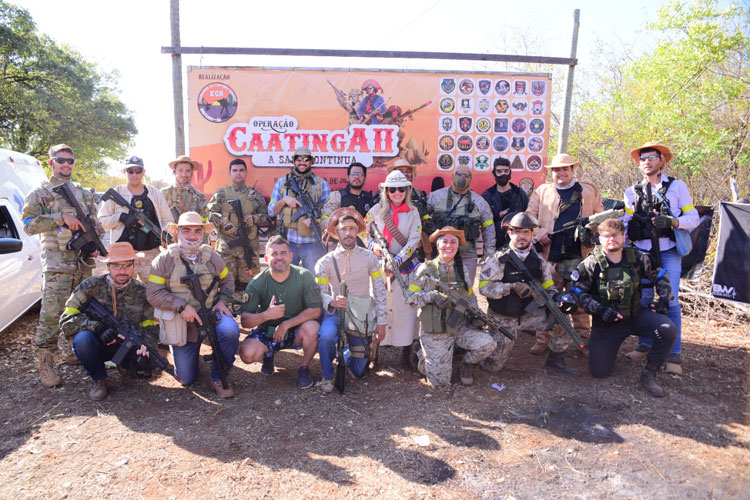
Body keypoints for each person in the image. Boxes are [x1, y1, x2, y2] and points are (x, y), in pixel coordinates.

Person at [22, 143, 105, 387]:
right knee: (51, 316)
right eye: (61, 160)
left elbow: (95, 222)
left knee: (82, 311)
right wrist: (60, 218)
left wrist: (97, 241)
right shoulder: (40, 193)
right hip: (58, 265)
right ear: (51, 163)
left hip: (83, 263)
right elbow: (28, 224)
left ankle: (73, 351)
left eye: (70, 160)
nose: (66, 164)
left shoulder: (83, 192)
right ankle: (46, 363)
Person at [571, 218, 677, 396]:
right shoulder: (591, 263)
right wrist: (600, 310)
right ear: (599, 239)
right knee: (599, 372)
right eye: (606, 236)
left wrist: (663, 301)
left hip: (635, 315)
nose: (611, 239)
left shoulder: (637, 257)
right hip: (607, 322)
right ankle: (608, 350)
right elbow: (577, 293)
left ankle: (649, 374)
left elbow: (660, 276)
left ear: (624, 237)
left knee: (668, 329)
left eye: (616, 235)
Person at [623, 142, 699, 375]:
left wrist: (674, 222)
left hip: (668, 252)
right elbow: (626, 225)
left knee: (671, 300)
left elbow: (693, 217)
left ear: (661, 161)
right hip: (641, 252)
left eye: (651, 157)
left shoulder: (677, 186)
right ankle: (645, 345)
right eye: (642, 158)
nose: (646, 161)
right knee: (644, 298)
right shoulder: (631, 191)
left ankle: (674, 354)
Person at [145, 212, 239, 398]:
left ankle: (218, 377)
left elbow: (228, 281)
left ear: (203, 234)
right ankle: (185, 351)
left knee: (230, 330)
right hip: (182, 324)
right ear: (177, 232)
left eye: (197, 231)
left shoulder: (213, 257)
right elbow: (153, 293)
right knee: (186, 378)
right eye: (186, 230)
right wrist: (180, 306)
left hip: (211, 315)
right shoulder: (163, 261)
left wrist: (222, 301)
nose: (192, 235)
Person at [478, 213, 578, 377]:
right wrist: (512, 287)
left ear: (532, 234)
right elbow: (484, 288)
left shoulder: (539, 261)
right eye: (517, 232)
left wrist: (557, 300)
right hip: (504, 317)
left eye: (526, 232)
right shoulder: (498, 260)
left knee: (561, 322)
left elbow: (549, 287)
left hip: (529, 313)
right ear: (509, 233)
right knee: (492, 366)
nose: (521, 236)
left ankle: (555, 361)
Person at [525, 153, 603, 354]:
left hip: (580, 256)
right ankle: (543, 339)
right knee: (547, 300)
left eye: (565, 169)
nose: (561, 173)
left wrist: (591, 229)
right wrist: (540, 233)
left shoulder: (589, 191)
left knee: (580, 301)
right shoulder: (542, 192)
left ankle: (582, 341)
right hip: (550, 257)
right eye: (557, 170)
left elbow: (600, 218)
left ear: (572, 170)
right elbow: (529, 217)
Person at [59, 242, 157, 401]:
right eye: (116, 266)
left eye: (127, 265)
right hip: (97, 344)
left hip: (126, 344)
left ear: (134, 265)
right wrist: (96, 327)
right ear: (108, 266)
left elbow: (150, 324)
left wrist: (147, 344)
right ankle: (99, 379)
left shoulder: (141, 291)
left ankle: (123, 365)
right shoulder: (90, 286)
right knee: (82, 341)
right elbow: (66, 319)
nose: (122, 271)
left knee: (149, 365)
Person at [408, 227, 496, 387]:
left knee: (487, 344)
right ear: (437, 244)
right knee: (440, 383)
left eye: (453, 242)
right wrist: (432, 297)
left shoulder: (463, 270)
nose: (449, 245)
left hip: (459, 326)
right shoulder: (425, 269)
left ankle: (465, 364)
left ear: (458, 245)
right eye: (445, 241)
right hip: (436, 331)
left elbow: (470, 297)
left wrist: (476, 315)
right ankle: (422, 355)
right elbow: (411, 299)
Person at [314, 208, 387, 392]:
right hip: (336, 312)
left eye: (352, 228)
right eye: (344, 229)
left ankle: (347, 352)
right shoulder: (325, 262)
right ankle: (328, 376)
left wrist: (382, 322)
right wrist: (331, 301)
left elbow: (379, 291)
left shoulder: (369, 258)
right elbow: (319, 293)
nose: (348, 233)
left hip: (360, 317)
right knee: (326, 336)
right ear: (336, 232)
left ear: (357, 231)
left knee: (358, 371)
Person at [238, 236, 322, 389]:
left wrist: (286, 324)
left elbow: (316, 310)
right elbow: (245, 320)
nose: (279, 257)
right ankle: (268, 354)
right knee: (247, 354)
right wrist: (266, 315)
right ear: (266, 257)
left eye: (283, 253)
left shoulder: (304, 276)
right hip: (268, 332)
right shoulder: (257, 283)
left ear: (290, 256)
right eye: (274, 254)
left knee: (313, 328)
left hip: (296, 331)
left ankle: (304, 367)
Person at [364, 170, 422, 367]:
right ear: (386, 191)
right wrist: (374, 247)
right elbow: (365, 233)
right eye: (392, 189)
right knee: (380, 307)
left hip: (404, 269)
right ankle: (375, 352)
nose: (397, 193)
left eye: (401, 189)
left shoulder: (413, 213)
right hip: (380, 268)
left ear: (407, 190)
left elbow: (414, 240)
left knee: (406, 310)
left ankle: (407, 351)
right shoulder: (375, 211)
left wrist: (398, 259)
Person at [98, 155, 173, 282]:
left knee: (154, 291)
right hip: (122, 256)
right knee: (121, 292)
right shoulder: (117, 193)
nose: (134, 174)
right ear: (124, 172)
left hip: (151, 254)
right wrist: (120, 217)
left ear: (143, 172)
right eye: (130, 171)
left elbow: (168, 221)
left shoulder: (155, 194)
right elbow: (101, 223)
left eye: (138, 170)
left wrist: (166, 235)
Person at [207, 158, 270, 292]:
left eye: (241, 170)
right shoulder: (221, 194)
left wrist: (254, 218)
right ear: (229, 173)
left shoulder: (255, 195)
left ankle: (247, 311)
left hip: (249, 247)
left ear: (246, 173)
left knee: (249, 285)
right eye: (235, 170)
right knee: (225, 284)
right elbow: (209, 214)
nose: (238, 173)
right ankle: (225, 311)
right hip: (226, 248)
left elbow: (267, 218)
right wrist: (223, 221)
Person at [427, 163, 496, 285]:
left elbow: (489, 228)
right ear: (452, 176)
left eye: (466, 175)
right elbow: (422, 220)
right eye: (459, 174)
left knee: (465, 291)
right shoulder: (436, 196)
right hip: (440, 254)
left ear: (471, 179)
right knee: (438, 289)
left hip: (467, 255)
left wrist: (489, 252)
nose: (462, 177)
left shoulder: (479, 202)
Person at [268, 146, 330, 273]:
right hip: (287, 243)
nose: (302, 162)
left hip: (313, 243)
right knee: (284, 279)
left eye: (306, 159)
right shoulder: (282, 183)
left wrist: (316, 221)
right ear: (293, 161)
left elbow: (328, 213)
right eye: (298, 159)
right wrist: (284, 200)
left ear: (311, 162)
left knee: (314, 282)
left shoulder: (321, 184)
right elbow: (271, 211)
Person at [481, 157, 529, 248]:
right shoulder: (487, 195)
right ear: (494, 173)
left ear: (510, 173)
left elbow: (528, 216)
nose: (503, 174)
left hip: (518, 243)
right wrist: (497, 215)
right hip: (493, 243)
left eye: (506, 171)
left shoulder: (520, 194)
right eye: (499, 171)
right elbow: (482, 220)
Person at [161, 155, 208, 221]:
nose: (184, 174)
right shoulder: (163, 194)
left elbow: (204, 220)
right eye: (180, 170)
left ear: (192, 173)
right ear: (174, 172)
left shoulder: (200, 197)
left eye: (187, 171)